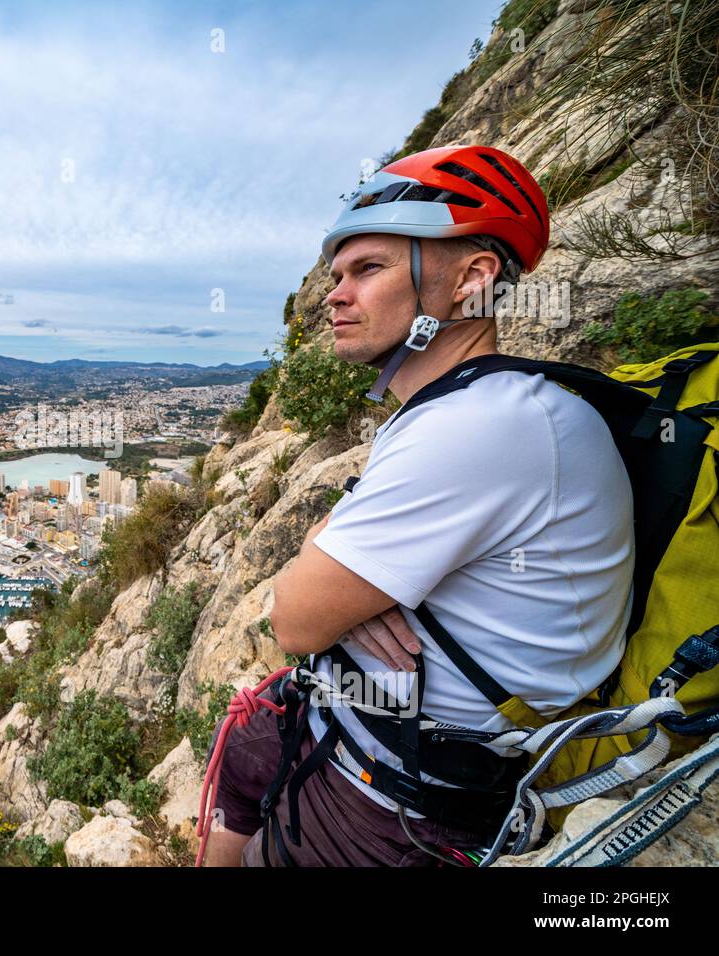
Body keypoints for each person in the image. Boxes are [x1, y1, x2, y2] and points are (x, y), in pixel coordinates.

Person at [201, 144, 635, 867]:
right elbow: (335, 552)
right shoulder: (467, 408)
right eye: (337, 275)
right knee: (244, 755)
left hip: (399, 803)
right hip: (355, 727)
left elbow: (295, 618)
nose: (332, 295)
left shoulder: (481, 428)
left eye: (367, 270)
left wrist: (336, 584)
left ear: (472, 280)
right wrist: (346, 573)